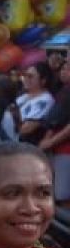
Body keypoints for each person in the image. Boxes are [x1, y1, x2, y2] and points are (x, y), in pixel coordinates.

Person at [38, 58, 70, 202]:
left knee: (62, 193)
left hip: (65, 149)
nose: (63, 70)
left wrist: (50, 141)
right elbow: (55, 120)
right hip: (56, 148)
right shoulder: (63, 90)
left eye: (68, 67)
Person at [15, 62, 55, 143]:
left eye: (30, 76)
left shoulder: (46, 100)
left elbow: (27, 129)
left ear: (43, 80)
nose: (25, 78)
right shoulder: (23, 97)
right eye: (25, 75)